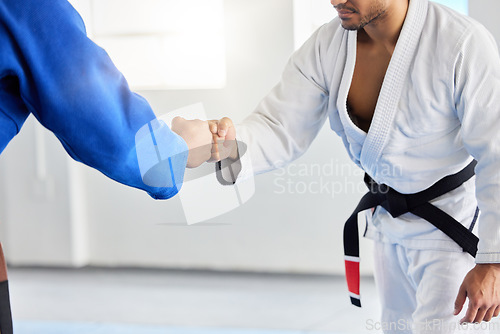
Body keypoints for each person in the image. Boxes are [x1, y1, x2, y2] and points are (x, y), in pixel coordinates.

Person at [180, 0, 500, 332]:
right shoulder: (327, 46)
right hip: (388, 224)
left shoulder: (461, 43)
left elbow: (497, 153)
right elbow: (279, 127)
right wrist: (220, 145)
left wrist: (494, 261)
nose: (334, 0)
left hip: (453, 229)